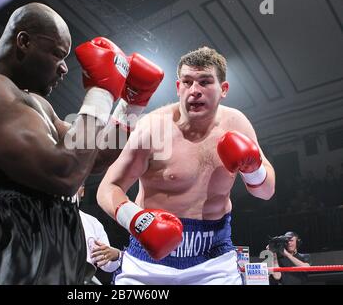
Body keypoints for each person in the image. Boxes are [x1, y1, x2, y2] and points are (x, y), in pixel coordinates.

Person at [0, 2, 163, 284]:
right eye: (58, 54)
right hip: (8, 242)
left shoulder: (38, 105)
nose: (64, 69)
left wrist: (132, 104)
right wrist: (101, 92)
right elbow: (64, 173)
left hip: (57, 243)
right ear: (24, 42)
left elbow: (91, 155)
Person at [97, 46, 276, 285]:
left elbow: (266, 192)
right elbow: (108, 187)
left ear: (223, 89)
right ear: (178, 87)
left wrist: (254, 170)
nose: (195, 91)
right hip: (149, 262)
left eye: (205, 82)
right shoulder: (153, 128)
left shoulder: (237, 123)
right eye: (188, 82)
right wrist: (137, 220)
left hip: (213, 260)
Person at [76, 185, 122, 285]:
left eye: (78, 184)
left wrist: (115, 255)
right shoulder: (44, 217)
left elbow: (107, 265)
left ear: (83, 191)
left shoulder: (92, 222)